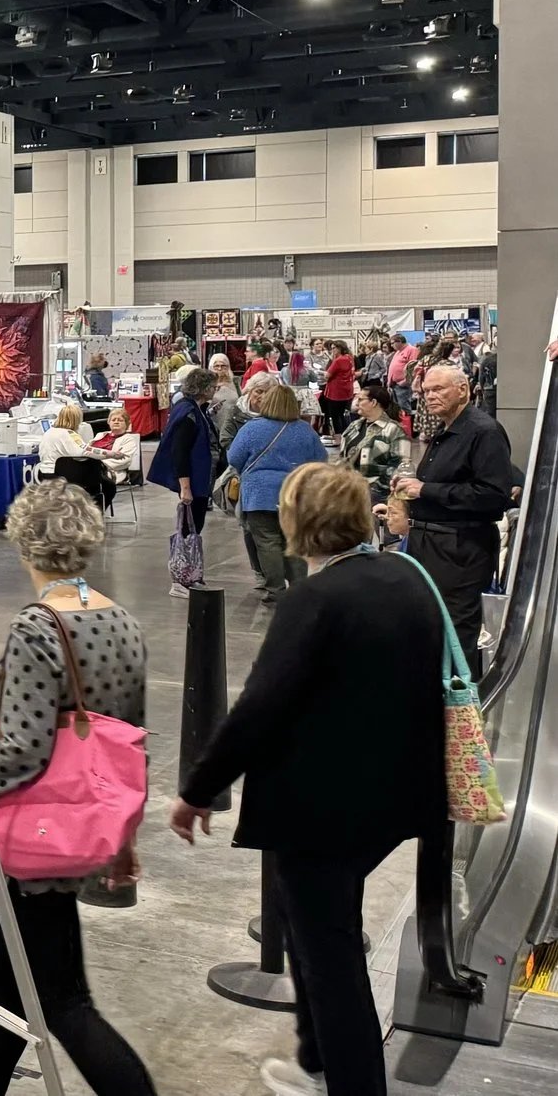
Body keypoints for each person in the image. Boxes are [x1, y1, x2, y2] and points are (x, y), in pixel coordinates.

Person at [174, 464, 445, 1096]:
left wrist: (198, 788)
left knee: (333, 963)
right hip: (392, 796)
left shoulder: (314, 600)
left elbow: (260, 707)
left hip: (322, 809)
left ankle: (348, 1079)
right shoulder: (407, 579)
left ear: (302, 521)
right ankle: (315, 1057)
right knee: (310, 927)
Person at [0, 481, 155, 1096]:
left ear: (24, 543)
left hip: (35, 835)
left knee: (65, 1002)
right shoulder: (119, 619)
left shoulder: (37, 628)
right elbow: (127, 741)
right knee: (7, 979)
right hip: (82, 824)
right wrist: (123, 837)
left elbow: (21, 749)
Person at [394, 365, 518, 676]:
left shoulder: (483, 431)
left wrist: (427, 489)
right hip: (431, 544)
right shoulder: (445, 429)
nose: (430, 396)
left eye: (439, 389)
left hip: (460, 548)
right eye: (426, 391)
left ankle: (461, 710)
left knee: (456, 634)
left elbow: (493, 495)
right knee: (433, 627)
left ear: (462, 390)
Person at [226, 383, 330, 603]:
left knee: (267, 542)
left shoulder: (252, 428)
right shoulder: (305, 430)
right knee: (293, 541)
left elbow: (233, 457)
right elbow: (321, 460)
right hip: (295, 494)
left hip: (259, 494)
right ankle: (299, 588)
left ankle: (275, 590)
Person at [146, 366, 219, 595]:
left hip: (199, 481)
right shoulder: (188, 415)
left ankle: (190, 574)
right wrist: (185, 487)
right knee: (188, 530)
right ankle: (180, 579)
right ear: (203, 388)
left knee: (194, 528)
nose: (215, 390)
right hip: (193, 482)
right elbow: (180, 452)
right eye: (212, 387)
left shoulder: (194, 410)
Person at [337, 377, 409, 504]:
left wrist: (374, 487)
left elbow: (401, 466)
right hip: (347, 489)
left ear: (374, 402)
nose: (356, 403)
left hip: (375, 495)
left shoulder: (395, 430)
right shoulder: (354, 426)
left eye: (360, 399)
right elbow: (342, 456)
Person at [89, 407, 142, 506]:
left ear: (126, 423)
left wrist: (101, 464)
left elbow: (124, 460)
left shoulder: (129, 439)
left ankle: (94, 509)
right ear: (109, 422)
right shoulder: (100, 435)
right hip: (90, 467)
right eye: (113, 420)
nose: (116, 422)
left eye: (120, 420)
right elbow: (87, 450)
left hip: (111, 471)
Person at [36, 404, 95, 476]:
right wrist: (109, 454)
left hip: (44, 472)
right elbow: (84, 453)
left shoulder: (49, 432)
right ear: (77, 419)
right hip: (59, 475)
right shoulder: (69, 434)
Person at [319, 340, 357, 434]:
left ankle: (338, 436)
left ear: (340, 348)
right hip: (346, 390)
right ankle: (345, 434)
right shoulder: (349, 358)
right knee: (342, 414)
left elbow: (328, 375)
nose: (332, 350)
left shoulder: (338, 360)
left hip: (336, 392)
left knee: (335, 415)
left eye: (334, 348)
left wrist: (319, 372)